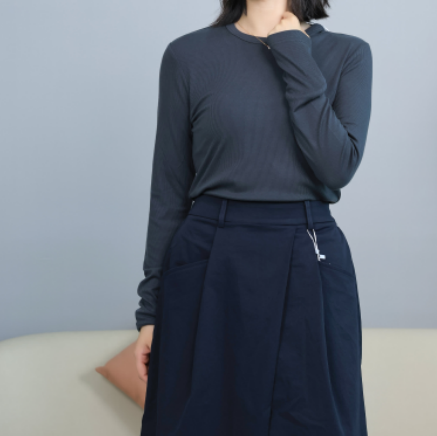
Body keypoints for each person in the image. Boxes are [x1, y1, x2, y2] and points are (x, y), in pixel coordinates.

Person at [135, 0, 372, 434]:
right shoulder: (187, 55)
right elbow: (168, 192)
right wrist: (150, 312)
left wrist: (293, 50)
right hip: (209, 254)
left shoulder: (348, 53)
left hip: (309, 254)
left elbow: (337, 167)